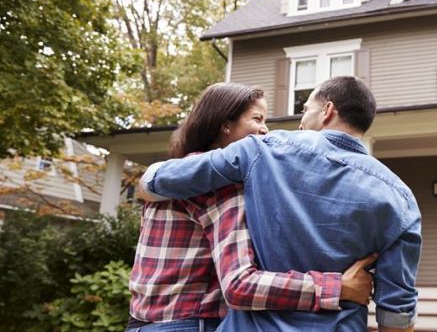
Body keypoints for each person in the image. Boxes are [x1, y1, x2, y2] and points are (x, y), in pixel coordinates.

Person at [140, 76, 422, 332]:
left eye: (305, 110)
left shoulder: (262, 151)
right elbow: (396, 312)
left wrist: (147, 183)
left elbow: (162, 179)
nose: (300, 122)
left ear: (327, 111)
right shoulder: (401, 198)